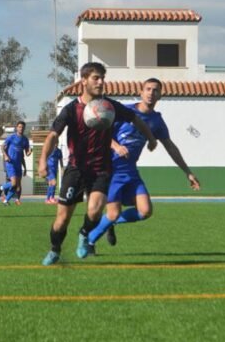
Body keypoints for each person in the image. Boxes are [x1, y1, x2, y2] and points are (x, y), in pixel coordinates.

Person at [37, 62, 157, 266]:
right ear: (83, 81)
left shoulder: (109, 106)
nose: (101, 82)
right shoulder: (71, 109)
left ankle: (84, 234)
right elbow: (52, 136)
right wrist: (42, 161)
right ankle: (55, 249)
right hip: (75, 169)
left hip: (101, 169)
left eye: (103, 77)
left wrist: (151, 138)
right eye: (96, 78)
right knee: (62, 219)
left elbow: (135, 119)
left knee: (95, 209)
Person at [86, 78, 200, 252]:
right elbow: (100, 133)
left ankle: (109, 222)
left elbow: (170, 146)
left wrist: (188, 172)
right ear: (141, 92)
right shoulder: (125, 112)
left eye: (155, 90)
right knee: (113, 213)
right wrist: (116, 146)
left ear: (160, 95)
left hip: (131, 171)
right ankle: (91, 239)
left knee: (145, 211)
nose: (151, 93)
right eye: (148, 89)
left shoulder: (157, 121)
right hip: (111, 170)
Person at [0, 121, 32, 206]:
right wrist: (5, 156)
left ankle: (6, 201)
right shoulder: (11, 137)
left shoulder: (25, 139)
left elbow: (26, 154)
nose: (21, 128)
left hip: (18, 164)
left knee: (17, 184)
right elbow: (2, 147)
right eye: (20, 127)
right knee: (13, 183)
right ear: (17, 128)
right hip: (10, 163)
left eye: (23, 127)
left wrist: (30, 153)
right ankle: (1, 187)